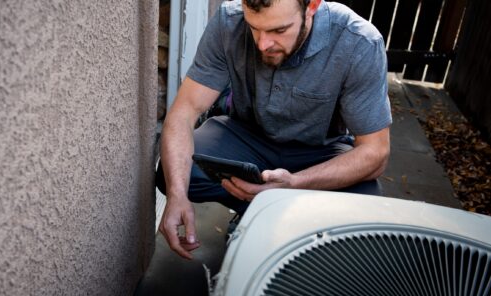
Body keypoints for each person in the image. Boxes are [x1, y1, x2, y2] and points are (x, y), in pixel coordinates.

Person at [156, 0, 392, 259]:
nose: (262, 44)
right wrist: (177, 196)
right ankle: (258, 212)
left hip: (319, 152)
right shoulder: (228, 21)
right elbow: (183, 112)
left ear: (311, 6)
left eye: (279, 30)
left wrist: (295, 184)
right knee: (174, 173)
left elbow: (375, 152)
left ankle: (282, 223)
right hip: (247, 141)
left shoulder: (359, 42)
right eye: (254, 27)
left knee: (363, 207)